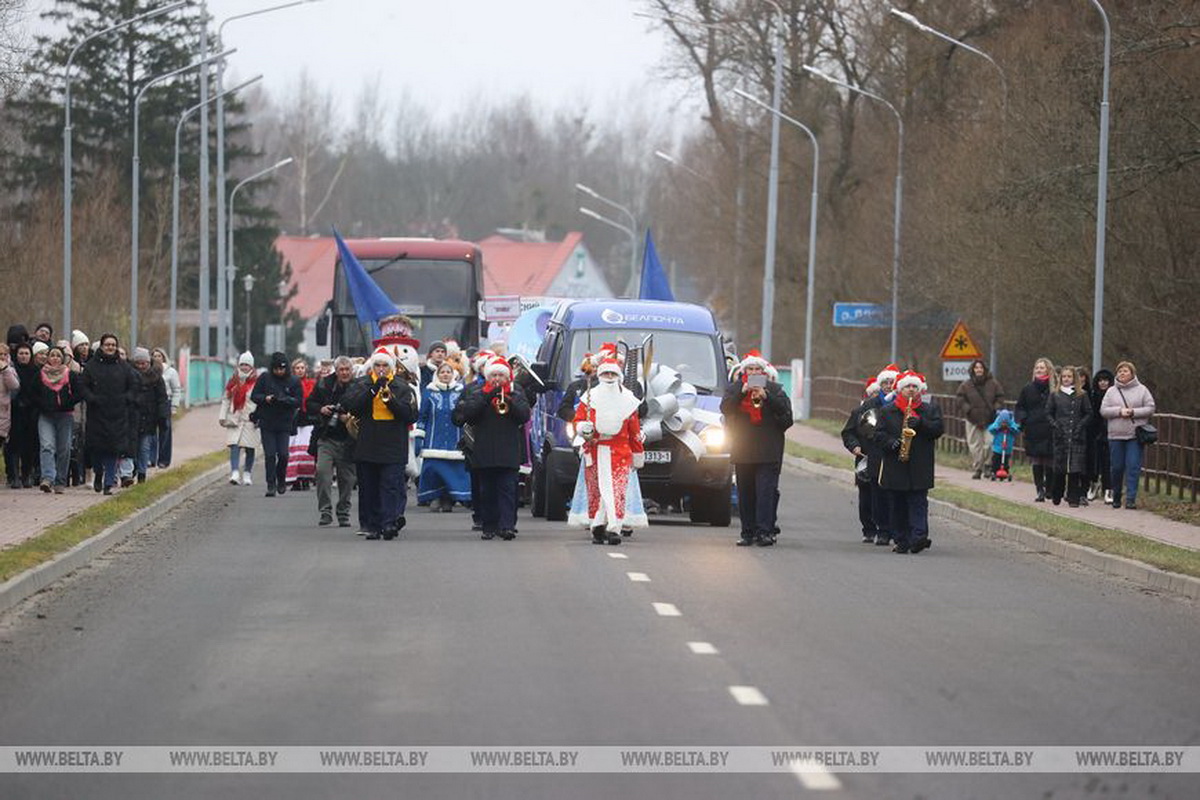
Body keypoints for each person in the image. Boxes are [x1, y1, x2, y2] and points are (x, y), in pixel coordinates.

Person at [569, 355, 647, 545]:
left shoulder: (628, 400)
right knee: (597, 491)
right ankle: (597, 526)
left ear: (618, 375)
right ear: (600, 375)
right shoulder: (589, 398)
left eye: (613, 373)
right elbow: (578, 420)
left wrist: (638, 454)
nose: (610, 377)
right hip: (595, 450)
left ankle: (614, 528)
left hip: (619, 452)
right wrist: (582, 428)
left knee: (616, 491)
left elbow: (634, 431)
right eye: (606, 373)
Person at [720, 349, 794, 547]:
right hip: (743, 450)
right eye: (750, 368)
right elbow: (725, 409)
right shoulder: (735, 388)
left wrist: (767, 396)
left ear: (763, 371)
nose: (753, 372)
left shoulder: (775, 389)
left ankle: (765, 532)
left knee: (765, 493)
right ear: (745, 371)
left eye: (757, 369)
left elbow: (787, 419)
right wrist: (742, 392)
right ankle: (747, 532)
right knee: (746, 494)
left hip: (768, 451)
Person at [342, 348, 418, 540]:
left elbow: (410, 415)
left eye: (385, 365)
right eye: (378, 365)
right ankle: (371, 525)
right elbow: (351, 405)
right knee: (369, 487)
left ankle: (389, 523)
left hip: (393, 444)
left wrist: (391, 401)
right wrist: (372, 390)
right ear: (372, 366)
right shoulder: (362, 383)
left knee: (391, 486)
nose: (381, 369)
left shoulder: (402, 387)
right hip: (368, 443)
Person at [452, 356, 530, 541]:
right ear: (488, 376)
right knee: (487, 491)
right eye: (493, 375)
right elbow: (468, 415)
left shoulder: (516, 392)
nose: (497, 379)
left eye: (500, 376)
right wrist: (487, 397)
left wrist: (509, 402)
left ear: (507, 378)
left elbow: (524, 416)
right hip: (484, 450)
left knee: (508, 491)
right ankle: (488, 526)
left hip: (508, 450)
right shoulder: (478, 392)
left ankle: (507, 526)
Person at [875, 370, 944, 554]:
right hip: (896, 464)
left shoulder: (929, 410)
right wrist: (892, 443)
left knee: (919, 502)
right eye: (908, 387)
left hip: (920, 464)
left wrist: (920, 423)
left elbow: (938, 429)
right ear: (900, 389)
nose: (911, 390)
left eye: (915, 387)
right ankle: (901, 539)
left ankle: (919, 537)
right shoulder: (887, 411)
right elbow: (878, 434)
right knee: (898, 505)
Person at [80, 334, 137, 495]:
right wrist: (92, 398)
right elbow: (83, 386)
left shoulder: (124, 367)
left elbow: (133, 385)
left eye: (113, 345)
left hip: (118, 414)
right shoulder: (91, 366)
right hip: (97, 413)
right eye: (107, 345)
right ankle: (98, 473)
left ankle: (108, 483)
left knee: (114, 450)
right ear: (102, 346)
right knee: (97, 450)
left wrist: (127, 399)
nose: (110, 347)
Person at [309, 355, 358, 527]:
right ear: (336, 371)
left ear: (352, 370)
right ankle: (325, 511)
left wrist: (349, 417)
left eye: (347, 369)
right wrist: (321, 408)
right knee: (322, 472)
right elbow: (310, 403)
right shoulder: (324, 384)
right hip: (327, 437)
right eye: (341, 370)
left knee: (348, 479)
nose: (344, 373)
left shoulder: (358, 386)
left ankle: (343, 512)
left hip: (349, 439)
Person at [415, 361, 471, 512]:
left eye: (448, 372)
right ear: (437, 375)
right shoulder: (429, 393)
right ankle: (435, 496)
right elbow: (422, 416)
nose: (445, 375)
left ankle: (449, 498)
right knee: (434, 469)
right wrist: (419, 437)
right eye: (442, 372)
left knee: (454, 470)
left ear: (453, 375)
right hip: (434, 440)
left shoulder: (461, 392)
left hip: (455, 440)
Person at [1100, 360, 1156, 510]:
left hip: (1134, 436)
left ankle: (1131, 498)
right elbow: (1103, 410)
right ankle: (1116, 495)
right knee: (1117, 467)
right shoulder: (1111, 391)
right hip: (1116, 435)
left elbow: (1150, 408)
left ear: (1132, 373)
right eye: (1120, 371)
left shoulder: (1142, 390)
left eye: (1125, 371)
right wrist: (1119, 411)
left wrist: (1134, 412)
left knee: (1133, 466)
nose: (1122, 374)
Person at [251, 352, 302, 498]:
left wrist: (285, 400)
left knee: (284, 454)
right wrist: (266, 398)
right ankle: (271, 484)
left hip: (285, 423)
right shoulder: (264, 378)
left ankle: (281, 479)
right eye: (277, 369)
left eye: (282, 369)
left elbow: (298, 401)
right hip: (267, 422)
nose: (279, 371)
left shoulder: (293, 381)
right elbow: (255, 396)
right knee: (270, 455)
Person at [841, 377, 885, 544]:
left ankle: (884, 528)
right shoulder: (859, 411)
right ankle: (869, 529)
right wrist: (854, 446)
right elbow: (848, 432)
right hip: (865, 458)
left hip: (884, 459)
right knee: (866, 496)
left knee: (882, 496)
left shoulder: (889, 409)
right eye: (873, 393)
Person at [34, 346, 82, 493]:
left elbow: (79, 393)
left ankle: (60, 480)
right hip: (46, 415)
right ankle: (48, 478)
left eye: (58, 356)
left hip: (65, 415)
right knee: (47, 446)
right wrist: (43, 404)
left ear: (63, 359)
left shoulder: (70, 375)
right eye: (52, 355)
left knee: (64, 448)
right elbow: (33, 394)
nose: (55, 358)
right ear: (48, 358)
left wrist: (68, 403)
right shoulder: (39, 375)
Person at [1046, 365, 1093, 507]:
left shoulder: (1081, 395)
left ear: (1074, 379)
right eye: (1064, 377)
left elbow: (1089, 413)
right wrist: (1055, 425)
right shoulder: (1055, 394)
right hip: (1060, 435)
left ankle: (1073, 497)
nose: (1066, 379)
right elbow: (1048, 412)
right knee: (1060, 467)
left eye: (1069, 377)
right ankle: (1057, 493)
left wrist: (1080, 426)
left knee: (1075, 469)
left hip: (1077, 436)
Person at [1015, 357, 1056, 502]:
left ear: (1048, 370)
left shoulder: (1055, 389)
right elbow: (1020, 406)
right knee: (1037, 460)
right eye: (1037, 368)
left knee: (1050, 460)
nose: (1039, 370)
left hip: (1051, 429)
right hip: (1033, 429)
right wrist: (1022, 420)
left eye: (1042, 368)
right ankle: (1040, 489)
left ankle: (1050, 488)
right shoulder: (1027, 389)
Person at [955, 359, 1004, 479]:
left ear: (984, 369)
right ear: (973, 370)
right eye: (976, 368)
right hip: (972, 418)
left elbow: (1000, 397)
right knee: (974, 445)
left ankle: (988, 465)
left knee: (990, 443)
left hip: (990, 418)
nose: (979, 370)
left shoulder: (993, 384)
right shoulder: (966, 385)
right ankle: (978, 467)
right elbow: (959, 399)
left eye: (981, 368)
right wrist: (968, 409)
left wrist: (995, 408)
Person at [219, 352, 260, 485]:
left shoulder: (257, 382)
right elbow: (226, 398)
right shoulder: (233, 380)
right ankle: (235, 472)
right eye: (242, 364)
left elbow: (260, 401)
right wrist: (222, 416)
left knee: (250, 448)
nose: (244, 367)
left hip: (250, 419)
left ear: (251, 366)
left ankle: (247, 473)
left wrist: (260, 417)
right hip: (235, 419)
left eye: (247, 365)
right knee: (234, 446)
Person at [130, 348, 169, 484]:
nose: (141, 366)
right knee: (132, 446)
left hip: (149, 417)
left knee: (144, 446)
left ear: (149, 363)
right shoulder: (129, 376)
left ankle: (142, 473)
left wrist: (162, 416)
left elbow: (162, 399)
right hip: (132, 417)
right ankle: (133, 469)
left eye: (144, 363)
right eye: (138, 363)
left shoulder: (156, 378)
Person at [5, 342, 39, 488]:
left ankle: (26, 475)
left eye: (26, 353)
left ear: (30, 355)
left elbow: (39, 392)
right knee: (13, 445)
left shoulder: (36, 371)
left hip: (32, 412)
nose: (23, 356)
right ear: (16, 355)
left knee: (29, 445)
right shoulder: (12, 370)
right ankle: (13, 476)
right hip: (14, 412)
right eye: (21, 353)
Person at [285, 357, 318, 491]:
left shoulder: (312, 384)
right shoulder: (289, 384)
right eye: (297, 368)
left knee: (307, 452)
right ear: (293, 370)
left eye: (302, 368)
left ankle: (306, 478)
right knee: (293, 451)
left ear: (306, 369)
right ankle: (295, 479)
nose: (300, 370)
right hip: (293, 421)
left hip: (308, 420)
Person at [1087, 368, 1114, 503]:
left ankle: (1108, 489)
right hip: (1094, 433)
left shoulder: (1115, 396)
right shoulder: (1092, 395)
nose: (1103, 383)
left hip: (1111, 432)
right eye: (1100, 380)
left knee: (1108, 462)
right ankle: (1093, 485)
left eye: (1106, 380)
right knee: (1094, 461)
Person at [151, 347, 181, 468]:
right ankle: (151, 459)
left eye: (159, 356)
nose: (157, 358)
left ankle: (164, 460)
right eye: (154, 355)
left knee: (165, 431)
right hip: (151, 402)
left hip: (166, 402)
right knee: (151, 432)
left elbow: (176, 389)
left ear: (163, 357)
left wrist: (174, 406)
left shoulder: (171, 372)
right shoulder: (149, 370)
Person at [0, 344, 20, 468]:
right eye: (0, 354)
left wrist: (5, 370)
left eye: (4, 354)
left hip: (3, 414)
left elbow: (14, 386)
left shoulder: (10, 370)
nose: (2, 357)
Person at [987, 409, 1020, 481]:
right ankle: (994, 471)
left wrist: (1010, 428)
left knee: (1006, 461)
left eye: (1006, 422)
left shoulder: (1011, 423)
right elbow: (991, 429)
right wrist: (998, 427)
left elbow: (1017, 430)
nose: (1004, 423)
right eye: (1003, 422)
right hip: (997, 447)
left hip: (1007, 447)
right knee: (996, 460)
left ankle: (1006, 471)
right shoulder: (997, 423)